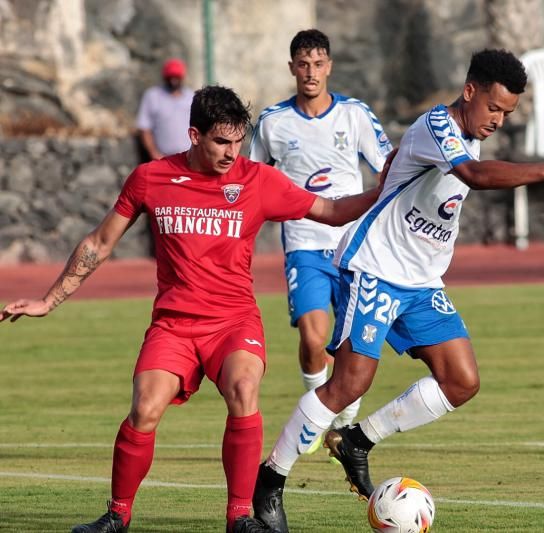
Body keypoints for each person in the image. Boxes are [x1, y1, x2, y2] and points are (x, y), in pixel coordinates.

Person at [1, 85, 389, 533]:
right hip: (174, 325)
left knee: (244, 390)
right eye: (221, 142)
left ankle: (239, 517)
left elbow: (333, 210)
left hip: (234, 321)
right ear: (193, 135)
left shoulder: (256, 180)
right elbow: (99, 243)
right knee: (145, 408)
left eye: (238, 141)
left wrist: (389, 186)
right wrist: (49, 299)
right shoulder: (151, 178)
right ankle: (117, 516)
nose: (232, 152)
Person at [250, 49, 544, 532]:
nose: (498, 120)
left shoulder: (470, 135)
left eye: (508, 114)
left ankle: (357, 441)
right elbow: (474, 177)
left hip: (420, 283)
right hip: (374, 269)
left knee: (462, 381)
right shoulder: (437, 126)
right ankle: (270, 483)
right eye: (494, 108)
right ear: (470, 91)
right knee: (349, 383)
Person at [249, 29, 392, 451]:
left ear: (329, 66)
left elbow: (389, 169)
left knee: (354, 346)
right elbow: (250, 180)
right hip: (304, 245)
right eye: (303, 64)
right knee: (313, 340)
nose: (310, 73)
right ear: (292, 67)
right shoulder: (274, 122)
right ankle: (314, 418)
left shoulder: (355, 114)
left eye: (318, 64)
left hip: (354, 246)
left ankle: (342, 428)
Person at [136, 58, 194, 160]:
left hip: (189, 159)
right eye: (170, 77)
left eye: (176, 77)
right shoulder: (153, 96)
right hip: (163, 159)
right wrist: (154, 153)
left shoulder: (191, 97)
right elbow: (144, 128)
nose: (173, 80)